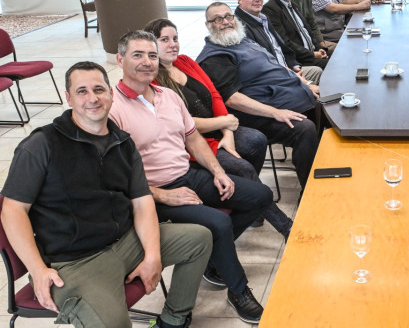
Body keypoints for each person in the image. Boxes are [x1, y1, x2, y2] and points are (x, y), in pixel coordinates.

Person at [1, 61, 212, 328]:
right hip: (75, 261)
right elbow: (12, 210)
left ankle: (173, 319)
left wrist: (152, 255)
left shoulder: (123, 142)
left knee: (199, 239)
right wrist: (38, 269)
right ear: (68, 98)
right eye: (82, 91)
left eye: (99, 89)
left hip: (125, 242)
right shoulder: (41, 145)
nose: (93, 99)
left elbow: (142, 201)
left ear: (111, 94)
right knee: (113, 324)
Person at [109, 30, 272, 324]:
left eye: (152, 55)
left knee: (260, 196)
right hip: (153, 194)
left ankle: (212, 258)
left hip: (188, 175)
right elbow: (114, 175)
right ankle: (239, 292)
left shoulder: (168, 95)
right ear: (120, 59)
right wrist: (162, 194)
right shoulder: (112, 109)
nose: (147, 62)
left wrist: (218, 171)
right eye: (138, 55)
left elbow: (194, 139)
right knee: (219, 222)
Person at [146, 18, 294, 240]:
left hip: (218, 132)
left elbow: (214, 94)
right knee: (242, 167)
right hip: (192, 144)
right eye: (164, 40)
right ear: (151, 44)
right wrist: (225, 123)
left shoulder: (186, 62)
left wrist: (228, 134)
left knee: (256, 140)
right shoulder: (153, 81)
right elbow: (182, 124)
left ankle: (247, 201)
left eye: (175, 38)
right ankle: (285, 225)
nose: (172, 44)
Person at [197, 2, 320, 191]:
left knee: (328, 109)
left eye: (228, 16)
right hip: (258, 115)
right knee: (305, 128)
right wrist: (275, 113)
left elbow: (275, 65)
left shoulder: (243, 41)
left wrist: (306, 84)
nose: (226, 22)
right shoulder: (216, 56)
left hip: (289, 97)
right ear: (208, 25)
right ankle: (311, 191)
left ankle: (325, 172)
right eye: (218, 19)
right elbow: (232, 99)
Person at [233, 0, 323, 84]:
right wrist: (292, 74)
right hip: (274, 77)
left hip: (288, 68)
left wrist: (295, 66)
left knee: (317, 72)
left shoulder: (263, 18)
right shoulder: (240, 27)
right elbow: (263, 64)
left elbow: (282, 48)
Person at [263, 0, 330, 71]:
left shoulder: (292, 4)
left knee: (341, 55)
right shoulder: (270, 9)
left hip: (311, 52)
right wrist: (313, 54)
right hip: (300, 59)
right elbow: (285, 43)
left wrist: (319, 48)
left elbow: (307, 31)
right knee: (335, 64)